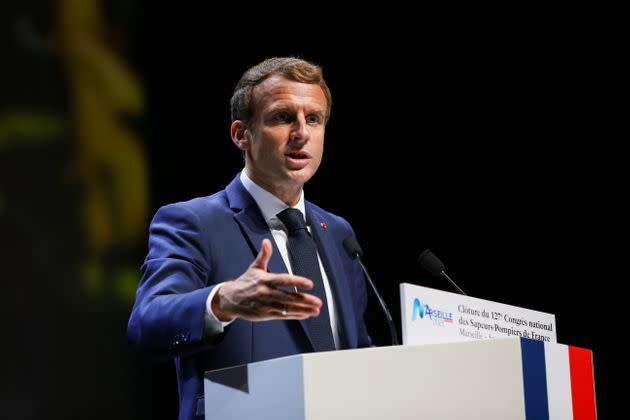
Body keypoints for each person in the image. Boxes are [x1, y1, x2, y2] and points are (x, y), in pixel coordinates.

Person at [127, 57, 373, 420]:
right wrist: (222, 301)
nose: (301, 132)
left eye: (314, 119)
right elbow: (146, 325)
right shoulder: (192, 222)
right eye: (282, 117)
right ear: (241, 134)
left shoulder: (337, 232)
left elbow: (356, 351)